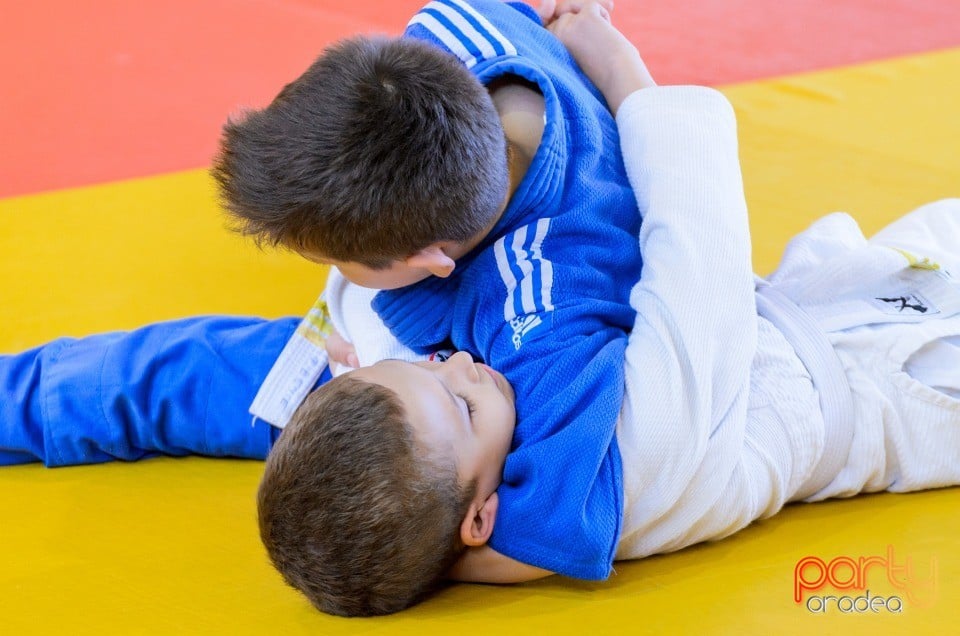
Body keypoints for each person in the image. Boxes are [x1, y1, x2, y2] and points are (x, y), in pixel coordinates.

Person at [258, 3, 960, 618]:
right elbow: (696, 230)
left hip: (843, 293)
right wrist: (617, 63)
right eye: (462, 404)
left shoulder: (444, 448)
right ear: (482, 519)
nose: (464, 366)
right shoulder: (617, 459)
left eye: (433, 365)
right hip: (905, 389)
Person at [2, 0, 647, 599]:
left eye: (331, 260)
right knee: (178, 369)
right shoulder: (454, 30)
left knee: (187, 377)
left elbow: (552, 534)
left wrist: (423, 554)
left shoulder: (552, 313)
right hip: (406, 368)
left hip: (427, 420)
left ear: (428, 263)